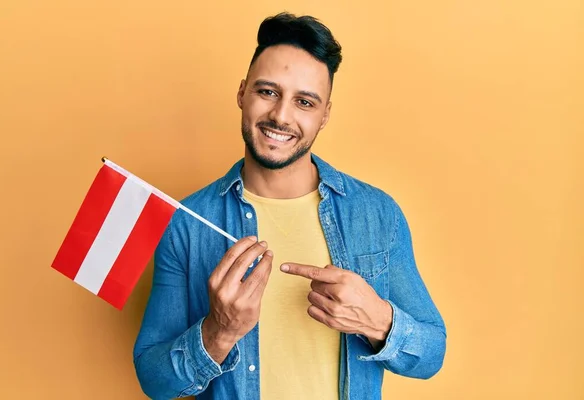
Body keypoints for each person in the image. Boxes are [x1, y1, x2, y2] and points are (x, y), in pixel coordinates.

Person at [133, 12, 446, 400]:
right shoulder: (187, 223)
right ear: (242, 93)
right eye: (267, 92)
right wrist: (219, 331)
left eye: (304, 102)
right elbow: (153, 379)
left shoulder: (377, 214)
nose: (281, 116)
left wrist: (379, 320)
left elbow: (433, 353)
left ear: (325, 115)